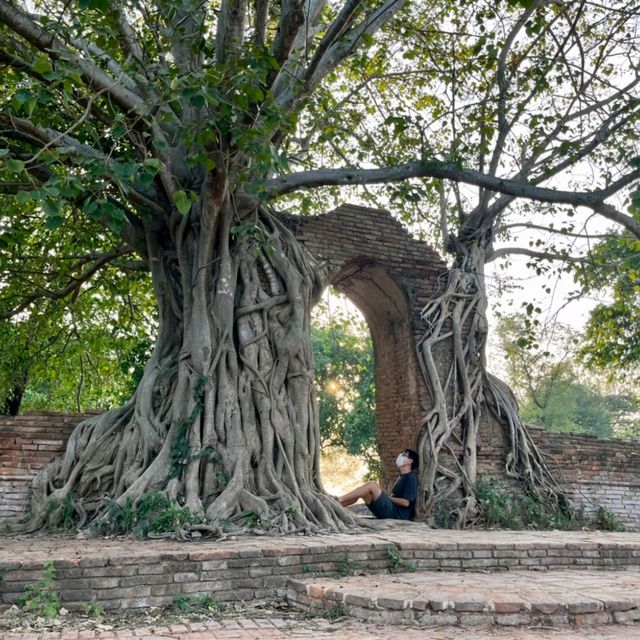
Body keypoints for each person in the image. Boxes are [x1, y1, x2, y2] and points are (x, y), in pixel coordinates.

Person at [338, 449, 419, 520]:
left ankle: (338, 499)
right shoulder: (401, 477)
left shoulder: (411, 478)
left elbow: (406, 503)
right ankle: (337, 506)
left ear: (410, 461)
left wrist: (387, 498)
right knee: (365, 494)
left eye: (404, 455)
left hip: (398, 515)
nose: (400, 456)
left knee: (372, 485)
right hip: (390, 511)